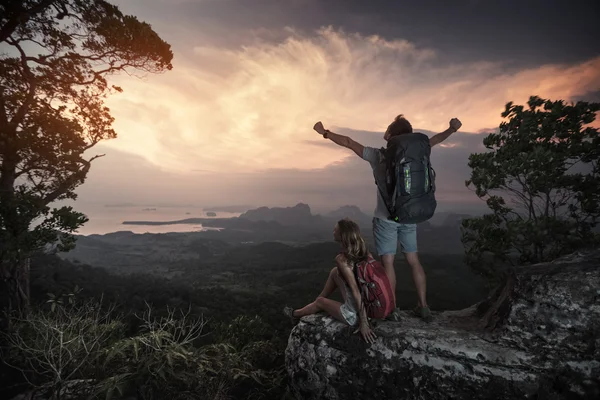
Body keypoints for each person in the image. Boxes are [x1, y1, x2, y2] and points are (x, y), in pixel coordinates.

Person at [313, 115, 462, 322]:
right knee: (413, 260)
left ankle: (392, 309)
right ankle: (424, 307)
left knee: (388, 263)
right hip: (410, 216)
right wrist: (452, 129)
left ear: (391, 134)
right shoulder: (419, 150)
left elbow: (348, 142)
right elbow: (436, 139)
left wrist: (325, 133)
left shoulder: (378, 156)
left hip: (386, 219)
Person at [283, 218, 395, 344]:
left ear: (342, 235)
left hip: (354, 314)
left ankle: (295, 314)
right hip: (370, 305)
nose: (333, 231)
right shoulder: (364, 252)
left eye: (335, 229)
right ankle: (315, 307)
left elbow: (355, 290)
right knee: (334, 272)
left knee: (321, 301)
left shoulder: (342, 259)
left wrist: (364, 323)